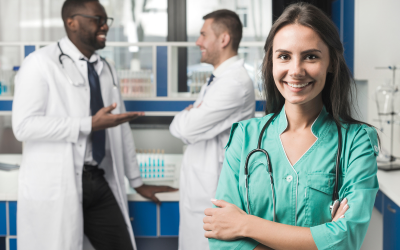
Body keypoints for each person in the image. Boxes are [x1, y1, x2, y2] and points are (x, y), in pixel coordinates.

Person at [203, 2, 379, 250]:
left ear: (330, 63)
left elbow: (346, 239)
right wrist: (322, 237)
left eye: (310, 56)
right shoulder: (244, 137)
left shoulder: (357, 142)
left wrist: (245, 225)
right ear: (271, 62)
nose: (295, 71)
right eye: (284, 56)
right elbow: (221, 239)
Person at [12, 0, 176, 249]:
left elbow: (120, 129)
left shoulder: (106, 68)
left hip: (96, 179)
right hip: (58, 181)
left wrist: (137, 181)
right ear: (72, 22)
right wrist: (88, 124)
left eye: (106, 20)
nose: (104, 26)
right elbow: (24, 126)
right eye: (96, 20)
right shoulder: (40, 63)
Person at [169, 9, 255, 250]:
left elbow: (184, 128)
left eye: (203, 34)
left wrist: (187, 115)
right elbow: (190, 126)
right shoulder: (219, 79)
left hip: (214, 193)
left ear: (224, 39)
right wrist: (189, 117)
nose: (198, 42)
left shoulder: (234, 83)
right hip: (201, 190)